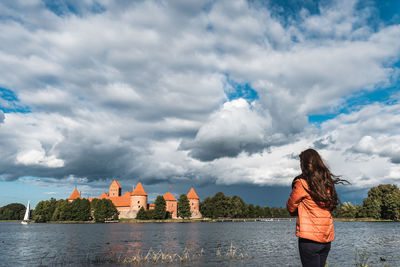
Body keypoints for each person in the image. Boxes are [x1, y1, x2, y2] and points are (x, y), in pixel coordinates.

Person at [287, 148, 349, 267]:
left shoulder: (301, 183)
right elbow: (330, 206)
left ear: (304, 164)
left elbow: (290, 207)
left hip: (309, 240)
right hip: (326, 239)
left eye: (301, 163)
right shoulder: (327, 182)